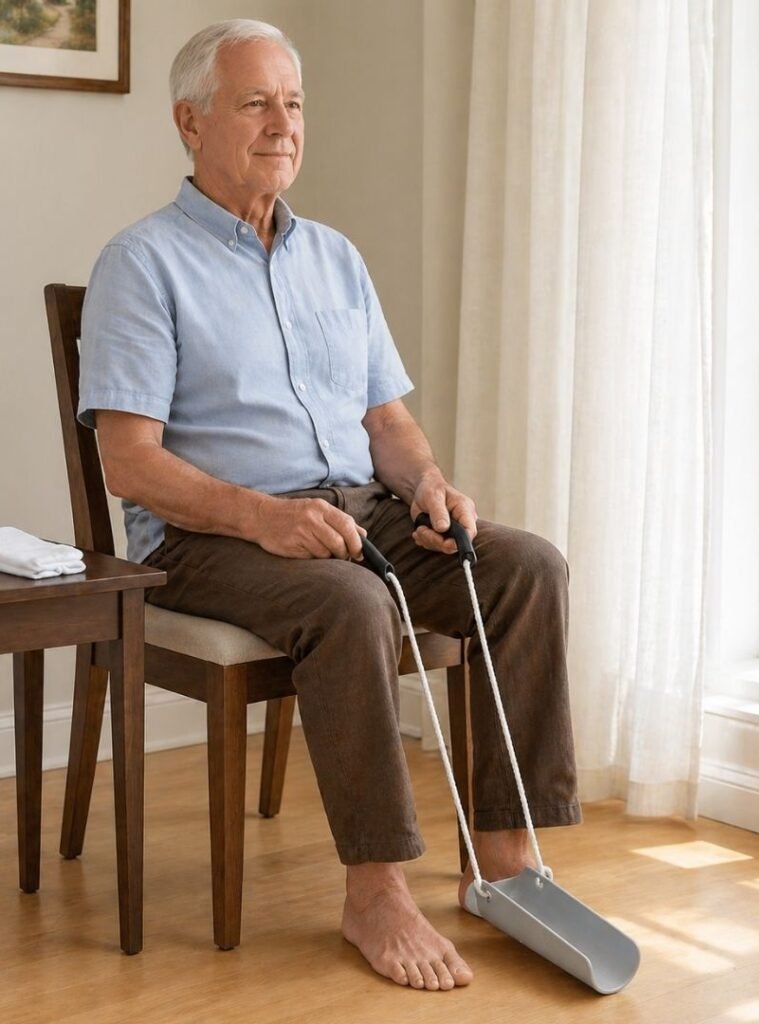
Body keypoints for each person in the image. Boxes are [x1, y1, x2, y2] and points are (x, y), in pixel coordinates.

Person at [78, 19, 580, 993]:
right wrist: (263, 517)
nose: (283, 123)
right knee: (351, 602)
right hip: (208, 534)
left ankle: (506, 850)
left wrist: (426, 483)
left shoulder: (335, 258)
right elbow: (128, 464)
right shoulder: (140, 264)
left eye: (294, 102)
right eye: (255, 101)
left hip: (356, 507)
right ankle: (376, 887)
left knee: (524, 564)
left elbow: (386, 421)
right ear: (190, 120)